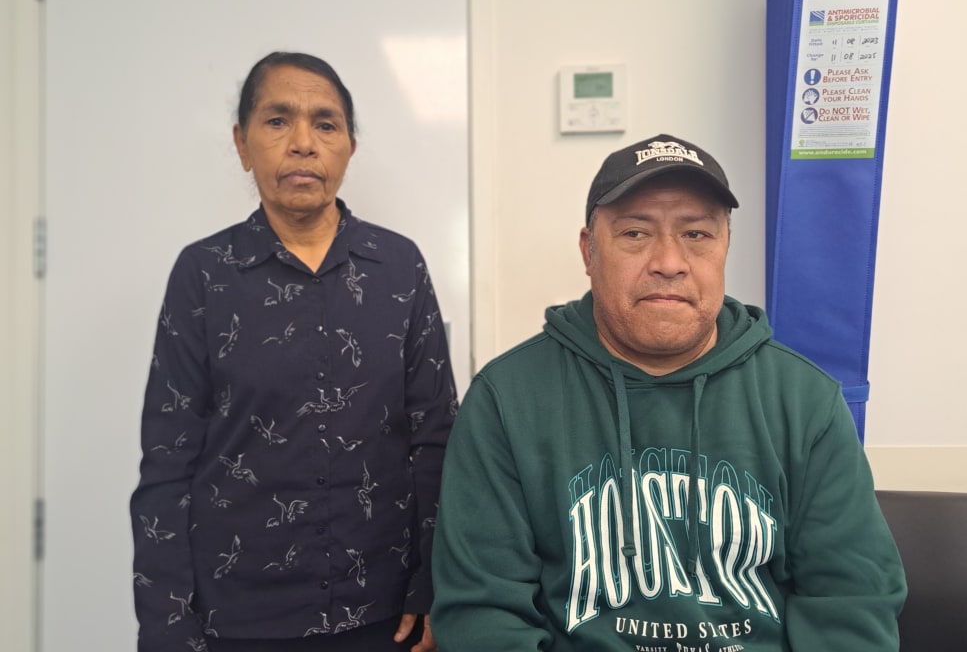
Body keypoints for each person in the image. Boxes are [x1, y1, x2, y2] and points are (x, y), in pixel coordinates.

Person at [431, 134, 905, 651]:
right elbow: (481, 612)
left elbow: (851, 605)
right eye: (635, 232)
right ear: (590, 251)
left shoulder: (805, 400)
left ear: (725, 245)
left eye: (697, 234)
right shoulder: (506, 400)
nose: (669, 261)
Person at [130, 52, 457, 652]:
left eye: (326, 124)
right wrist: (167, 626)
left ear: (349, 146)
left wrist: (436, 583)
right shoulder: (205, 274)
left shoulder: (399, 267)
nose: (304, 143)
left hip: (384, 616)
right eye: (278, 120)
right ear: (242, 142)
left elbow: (434, 437)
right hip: (236, 617)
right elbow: (167, 461)